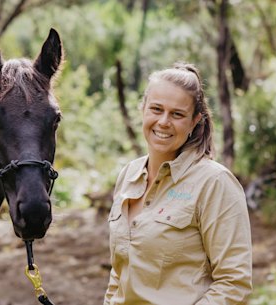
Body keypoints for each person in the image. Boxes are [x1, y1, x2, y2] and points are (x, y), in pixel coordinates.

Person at [104, 62, 252, 305]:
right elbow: (119, 273)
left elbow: (234, 284)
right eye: (156, 109)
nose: (163, 122)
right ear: (142, 109)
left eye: (177, 114)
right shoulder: (129, 175)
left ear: (195, 121)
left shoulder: (214, 183)